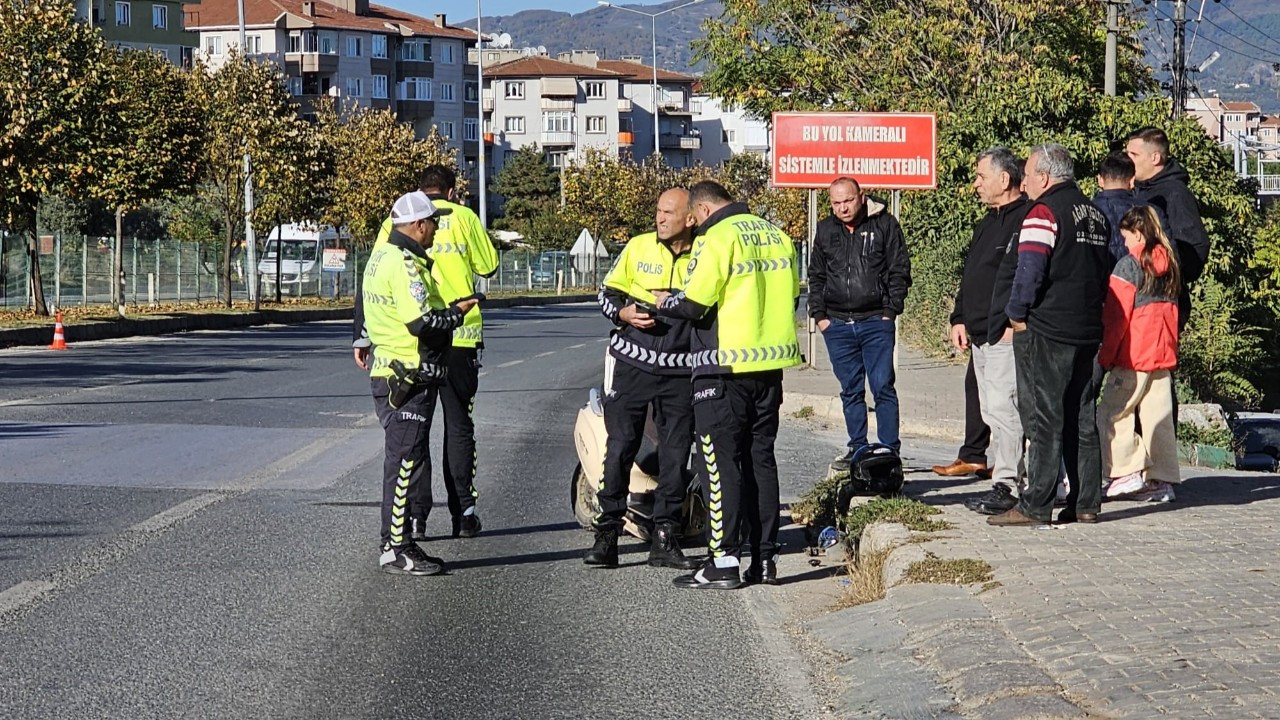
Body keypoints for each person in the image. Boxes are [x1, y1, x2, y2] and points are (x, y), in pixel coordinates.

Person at [654, 180, 801, 589]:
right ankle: (765, 560)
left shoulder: (715, 236)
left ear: (701, 211)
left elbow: (696, 302)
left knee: (720, 466)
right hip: (769, 368)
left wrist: (665, 300)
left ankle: (723, 561)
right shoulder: (776, 234)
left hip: (722, 368)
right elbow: (790, 298)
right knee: (761, 463)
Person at [364, 166, 499, 540]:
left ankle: (416, 517)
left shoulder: (391, 229)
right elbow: (489, 265)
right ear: (451, 192)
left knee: (415, 433)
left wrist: (362, 336)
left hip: (410, 344)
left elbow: (371, 282)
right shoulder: (466, 216)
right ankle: (463, 513)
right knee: (458, 427)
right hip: (455, 337)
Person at [353, 191, 478, 575]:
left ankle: (399, 541)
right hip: (409, 375)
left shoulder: (379, 257)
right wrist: (456, 315)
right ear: (418, 225)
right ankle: (397, 548)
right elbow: (421, 323)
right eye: (434, 223)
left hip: (389, 371)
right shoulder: (406, 264)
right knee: (404, 462)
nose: (437, 229)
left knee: (403, 459)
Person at [988, 143, 1111, 527]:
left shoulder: (1043, 212)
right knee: (1081, 417)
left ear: (1044, 177)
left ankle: (1035, 504)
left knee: (1043, 417)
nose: (1022, 182)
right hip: (1088, 330)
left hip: (1048, 330)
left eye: (1026, 175)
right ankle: (1086, 502)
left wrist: (1016, 314)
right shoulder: (1094, 214)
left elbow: (1030, 270)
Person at [584, 188, 700, 571]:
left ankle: (665, 536)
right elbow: (606, 295)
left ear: (690, 218)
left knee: (675, 453)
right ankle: (607, 536)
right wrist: (624, 314)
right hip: (631, 364)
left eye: (669, 212)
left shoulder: (704, 253)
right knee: (621, 448)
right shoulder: (637, 247)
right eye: (658, 211)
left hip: (681, 369)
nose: (661, 218)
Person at [807, 177, 912, 470]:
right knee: (850, 390)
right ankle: (857, 448)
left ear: (861, 197)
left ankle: (889, 452)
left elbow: (899, 270)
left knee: (882, 387)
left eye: (848, 200)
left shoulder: (885, 225)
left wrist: (890, 311)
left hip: (876, 322)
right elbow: (816, 275)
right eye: (836, 203)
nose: (842, 208)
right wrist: (820, 316)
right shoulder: (826, 230)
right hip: (837, 325)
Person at [948, 148, 1032, 515]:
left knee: (1004, 409)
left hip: (1004, 333)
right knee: (990, 409)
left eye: (981, 177)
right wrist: (959, 317)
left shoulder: (1026, 218)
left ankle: (1009, 483)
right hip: (979, 333)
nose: (976, 184)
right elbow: (972, 275)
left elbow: (1021, 277)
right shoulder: (987, 222)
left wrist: (1013, 323)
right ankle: (1007, 478)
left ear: (1005, 179)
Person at [1098, 206, 1182, 502]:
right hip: (1162, 352)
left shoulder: (1128, 266)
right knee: (1158, 418)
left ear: (1137, 233)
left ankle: (1126, 471)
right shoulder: (1170, 262)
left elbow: (1116, 319)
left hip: (1132, 355)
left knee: (1112, 413)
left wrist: (1105, 357)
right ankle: (1161, 479)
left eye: (1126, 237)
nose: (1124, 244)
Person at [1127, 127, 1209, 330]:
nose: (1127, 160)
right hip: (1134, 298)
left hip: (1161, 304)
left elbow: (1195, 247)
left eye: (1134, 154)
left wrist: (1164, 278)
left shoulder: (1175, 195)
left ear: (1155, 157)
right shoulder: (1136, 190)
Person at [1093, 152, 1146, 266]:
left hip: (1102, 281)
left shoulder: (1087, 210)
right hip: (1141, 280)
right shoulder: (1149, 211)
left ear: (1100, 180)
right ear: (1132, 181)